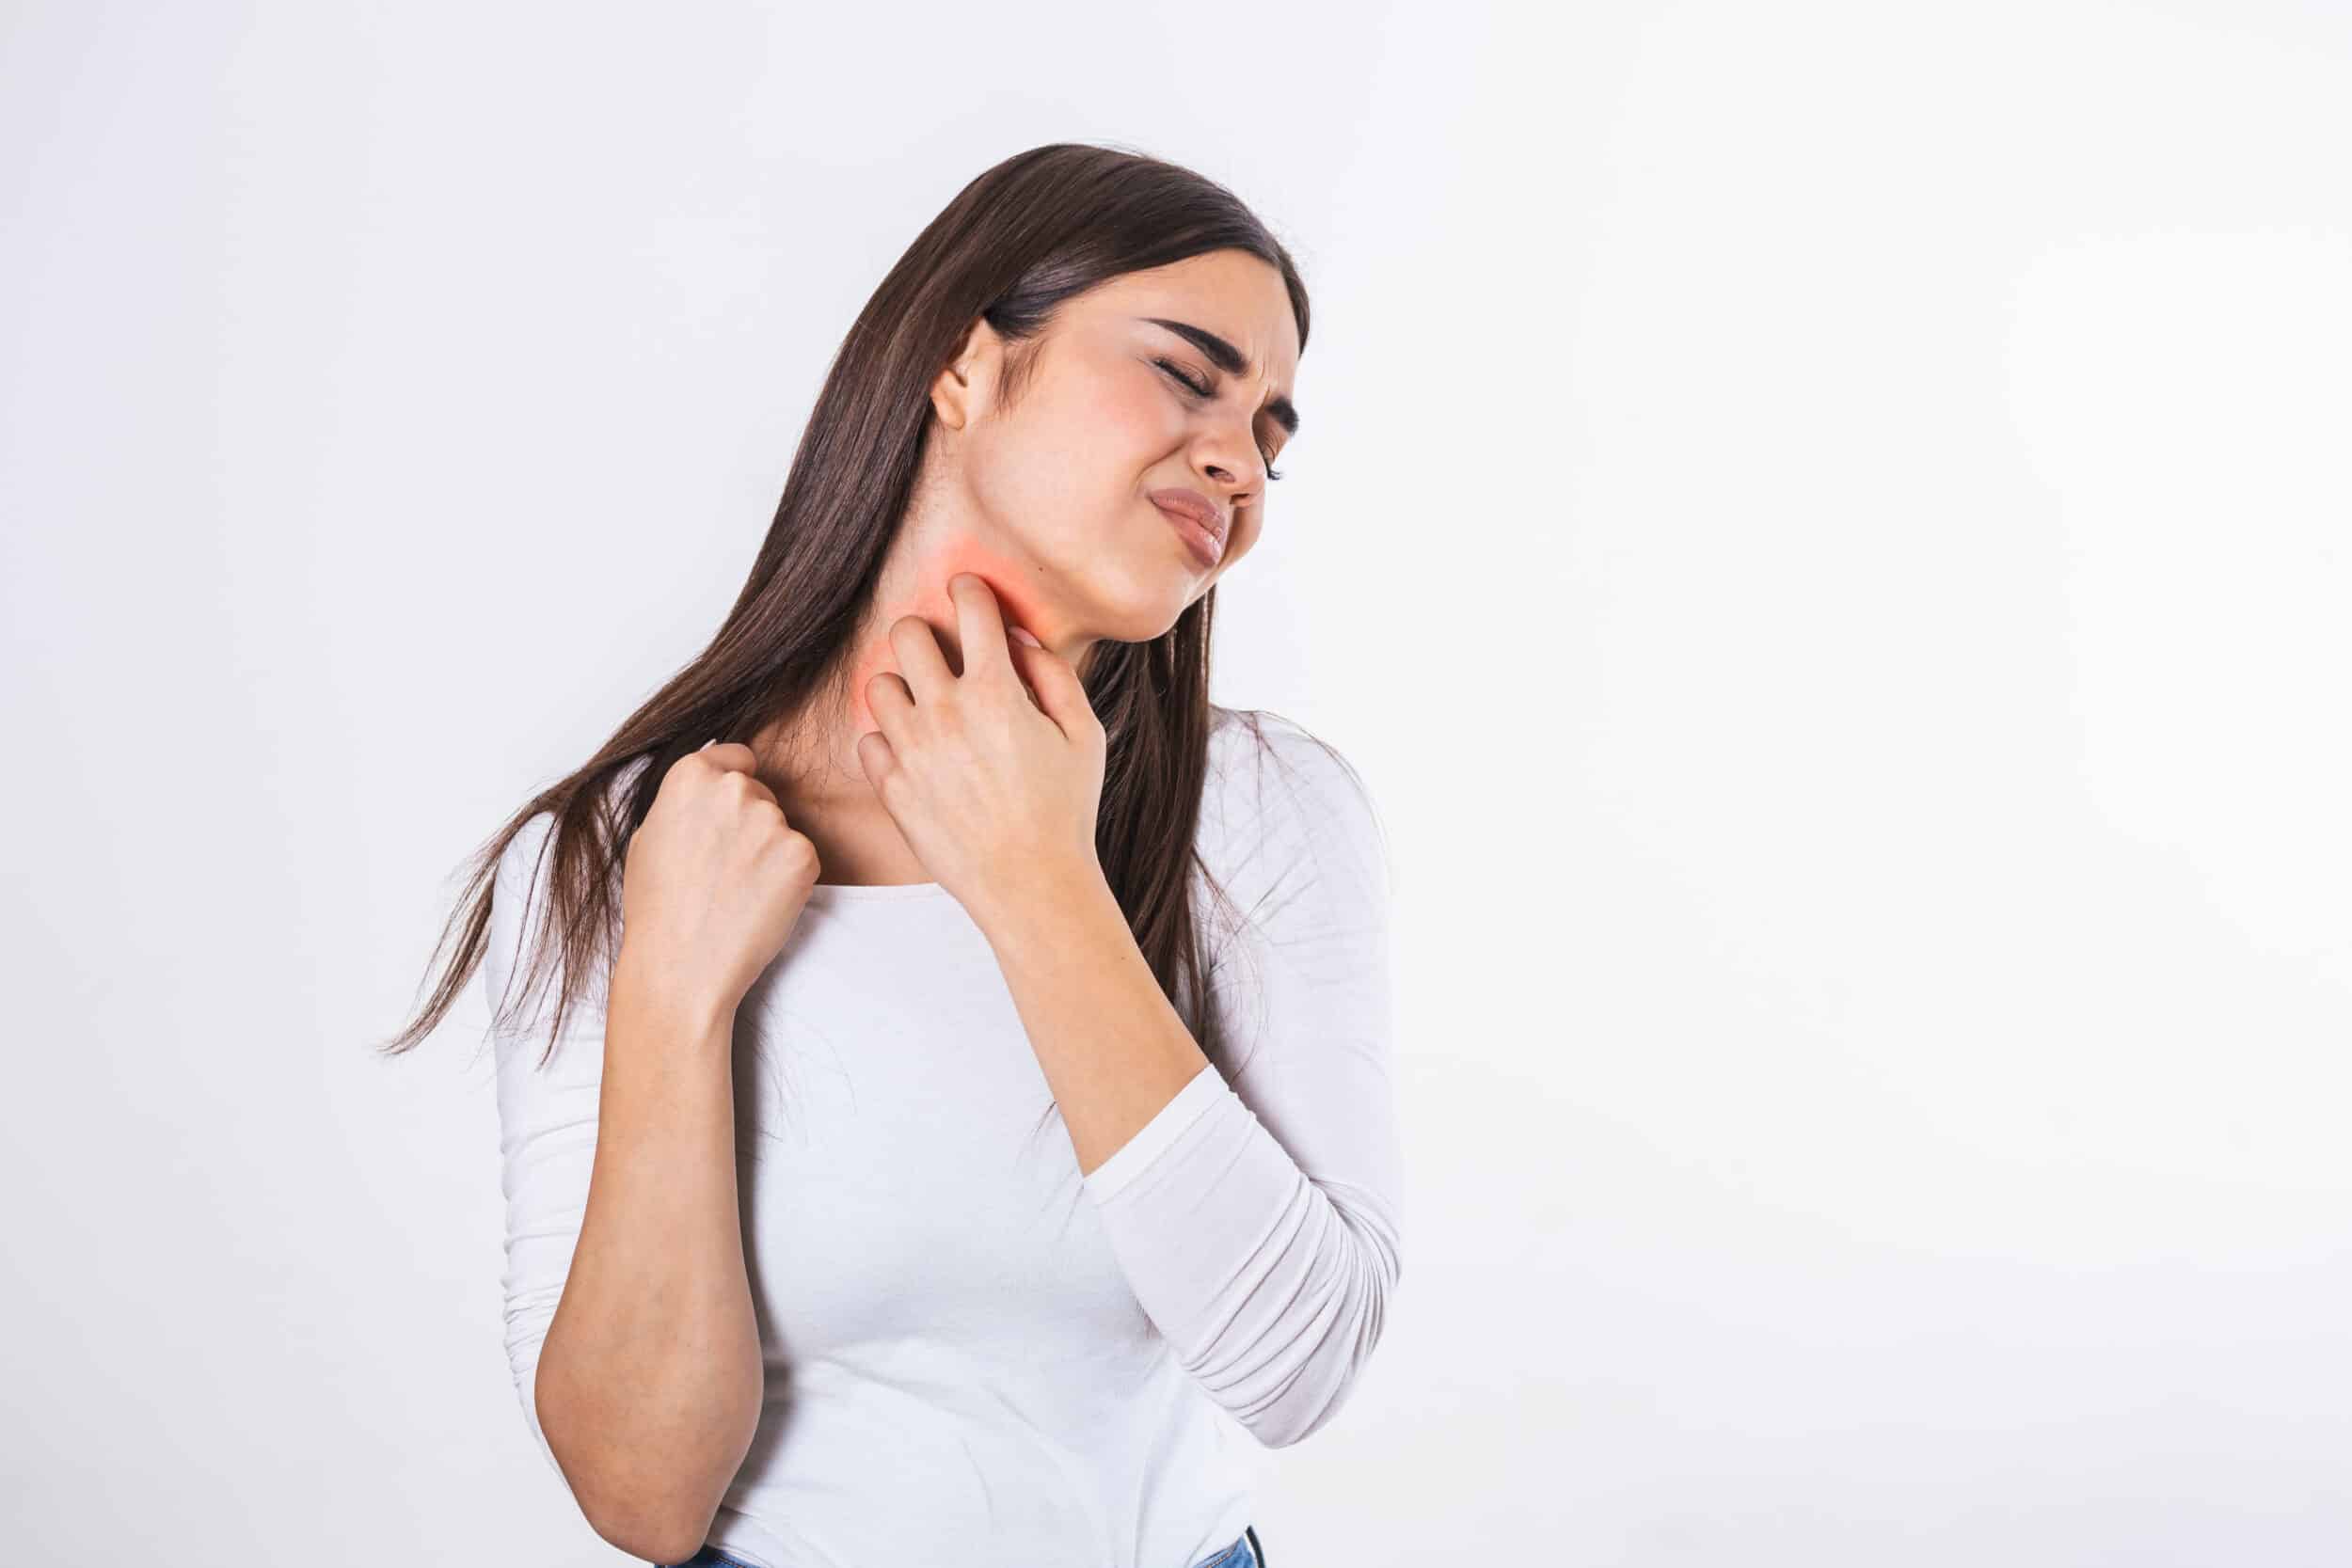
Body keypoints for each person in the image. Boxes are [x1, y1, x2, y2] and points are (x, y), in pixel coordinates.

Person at [382, 141, 1400, 1568]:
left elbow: (1300, 1369)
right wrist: (673, 996)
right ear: (964, 367)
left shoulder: (1259, 813)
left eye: (1273, 433)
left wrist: (1035, 872)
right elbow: (640, 1496)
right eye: (1187, 372)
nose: (1242, 459)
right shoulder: (636, 851)